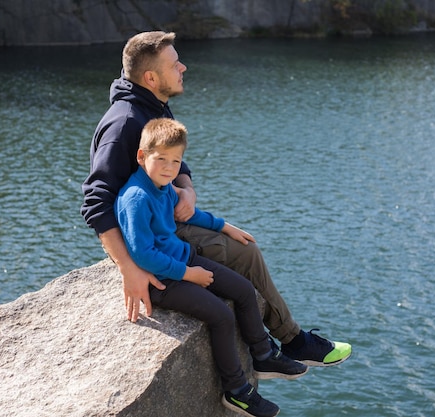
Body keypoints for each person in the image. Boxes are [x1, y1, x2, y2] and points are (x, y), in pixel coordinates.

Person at [80, 30, 351, 367]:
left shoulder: (151, 106)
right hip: (150, 236)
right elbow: (95, 202)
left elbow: (176, 157)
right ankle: (292, 341)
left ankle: (273, 341)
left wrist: (188, 191)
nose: (184, 68)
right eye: (175, 64)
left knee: (242, 244)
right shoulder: (124, 124)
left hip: (165, 218)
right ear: (151, 77)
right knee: (245, 253)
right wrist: (128, 268)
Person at [115, 118, 308, 416]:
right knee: (220, 316)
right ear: (142, 156)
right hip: (163, 281)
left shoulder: (163, 185)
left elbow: (189, 216)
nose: (169, 167)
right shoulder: (136, 198)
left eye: (176, 161)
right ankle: (237, 391)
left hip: (183, 258)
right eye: (161, 159)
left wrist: (225, 227)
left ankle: (264, 354)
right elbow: (143, 255)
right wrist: (188, 274)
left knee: (244, 290)